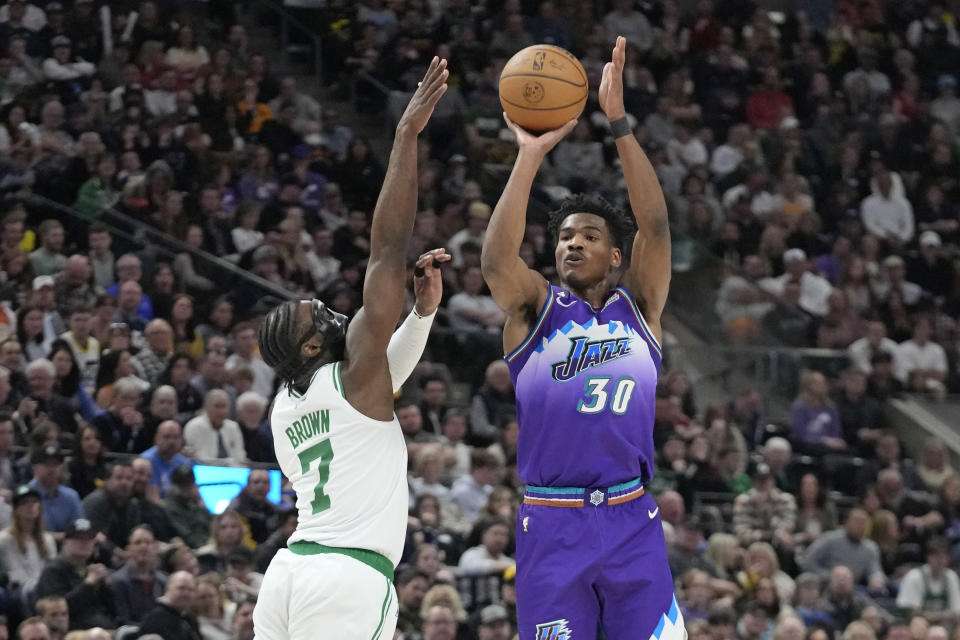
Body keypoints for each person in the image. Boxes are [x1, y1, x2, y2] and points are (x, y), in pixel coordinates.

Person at [480, 37, 683, 640]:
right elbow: (495, 259)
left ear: (615, 254)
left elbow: (657, 224)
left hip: (631, 518)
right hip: (551, 519)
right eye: (565, 236)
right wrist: (529, 155)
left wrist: (617, 121)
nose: (573, 243)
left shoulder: (639, 307)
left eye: (589, 235)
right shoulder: (536, 309)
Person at [252, 57, 449, 640]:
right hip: (348, 580)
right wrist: (405, 136)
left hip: (288, 576)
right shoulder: (354, 376)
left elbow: (381, 385)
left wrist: (423, 313)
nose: (340, 315)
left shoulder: (286, 408)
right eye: (325, 317)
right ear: (313, 345)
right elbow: (387, 251)